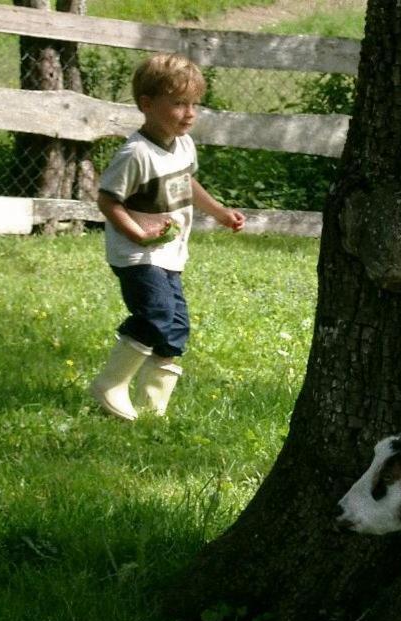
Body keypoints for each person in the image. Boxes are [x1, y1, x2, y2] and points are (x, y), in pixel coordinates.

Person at [89, 52, 245, 421]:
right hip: (138, 255)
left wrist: (220, 211)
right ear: (147, 104)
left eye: (194, 104)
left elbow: (187, 184)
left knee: (176, 326)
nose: (189, 113)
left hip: (169, 254)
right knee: (156, 313)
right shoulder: (135, 154)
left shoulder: (183, 144)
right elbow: (108, 200)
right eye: (178, 103)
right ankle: (109, 384)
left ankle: (151, 406)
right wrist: (137, 233)